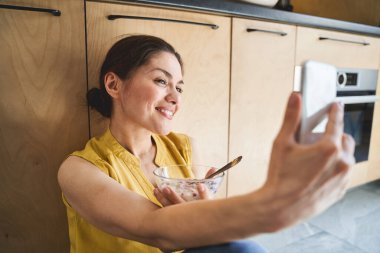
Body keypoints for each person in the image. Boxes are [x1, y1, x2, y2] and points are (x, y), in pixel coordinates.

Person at [58, 35, 355, 253]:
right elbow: (153, 230)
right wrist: (275, 204)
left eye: (179, 87)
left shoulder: (185, 146)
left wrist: (202, 211)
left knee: (244, 250)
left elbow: (192, 235)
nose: (175, 97)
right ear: (113, 85)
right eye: (162, 81)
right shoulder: (78, 170)